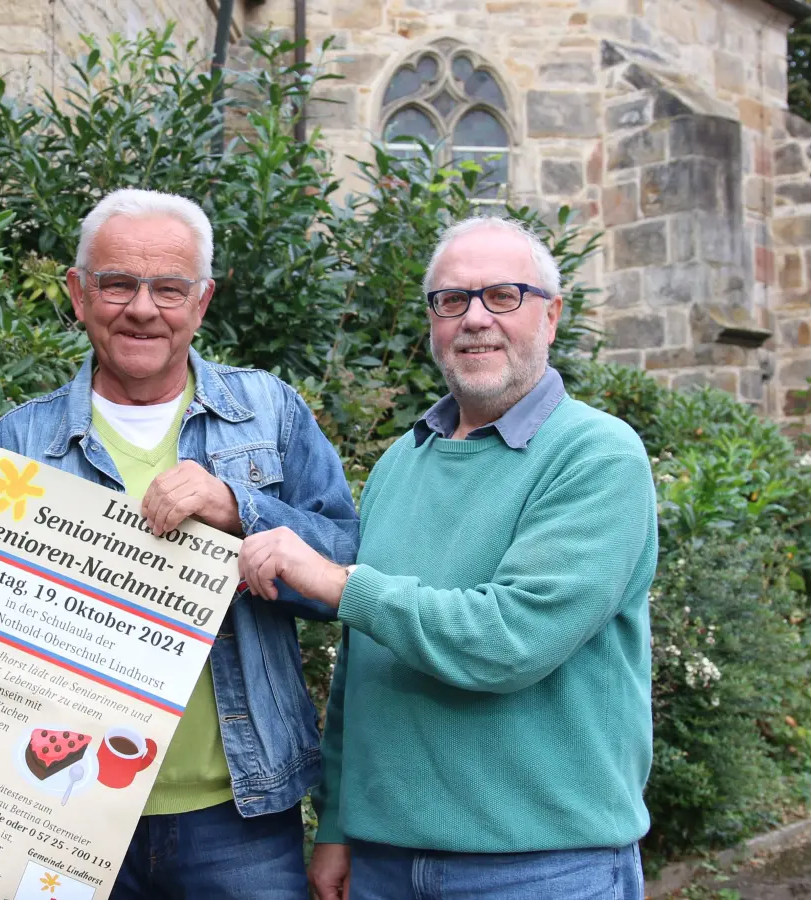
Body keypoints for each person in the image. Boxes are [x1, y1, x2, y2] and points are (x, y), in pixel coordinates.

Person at [0, 189, 360, 899]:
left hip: (239, 814)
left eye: (168, 287)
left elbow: (346, 571)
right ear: (77, 294)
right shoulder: (21, 443)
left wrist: (240, 509)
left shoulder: (271, 414)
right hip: (59, 812)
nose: (141, 308)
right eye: (117, 283)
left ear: (203, 300)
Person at [238, 216, 657, 900]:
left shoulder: (597, 456)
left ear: (551, 315)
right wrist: (339, 824)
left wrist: (338, 580)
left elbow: (511, 639)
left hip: (543, 871)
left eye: (502, 296)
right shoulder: (402, 464)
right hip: (382, 866)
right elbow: (362, 666)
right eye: (451, 301)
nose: (474, 320)